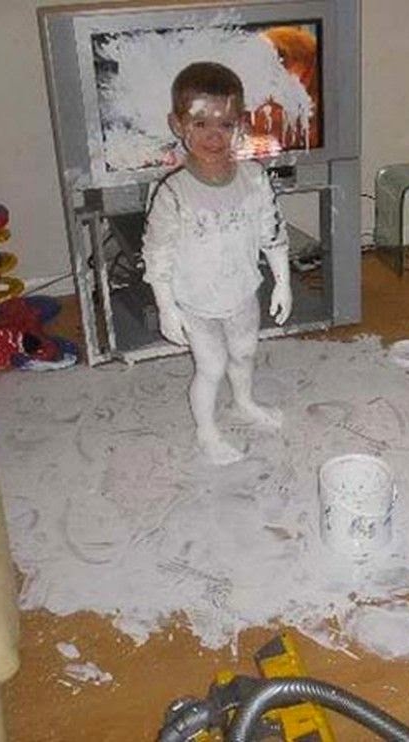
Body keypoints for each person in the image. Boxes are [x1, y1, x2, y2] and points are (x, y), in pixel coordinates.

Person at [142, 62, 292, 465]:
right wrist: (166, 307)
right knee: (211, 367)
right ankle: (207, 432)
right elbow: (157, 254)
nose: (214, 136)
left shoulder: (254, 178)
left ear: (240, 125)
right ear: (178, 125)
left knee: (244, 354)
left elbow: (272, 232)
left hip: (242, 292)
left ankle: (243, 401)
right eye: (200, 123)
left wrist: (283, 282)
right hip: (196, 301)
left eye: (225, 125)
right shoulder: (173, 193)